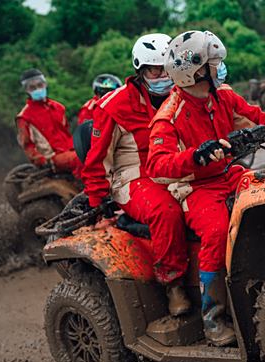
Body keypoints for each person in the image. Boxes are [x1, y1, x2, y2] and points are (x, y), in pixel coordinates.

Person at [147, 30, 265, 346]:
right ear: (196, 70)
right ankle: (213, 319)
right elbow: (157, 166)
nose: (220, 68)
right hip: (194, 188)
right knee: (217, 231)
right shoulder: (168, 117)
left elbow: (264, 120)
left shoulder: (224, 96)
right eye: (215, 63)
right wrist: (195, 155)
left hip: (227, 174)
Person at [81, 33, 192, 315]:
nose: (163, 75)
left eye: (167, 68)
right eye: (156, 70)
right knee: (166, 211)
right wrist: (98, 205)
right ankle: (173, 283)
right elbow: (96, 161)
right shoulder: (114, 105)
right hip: (135, 177)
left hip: (177, 167)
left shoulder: (183, 94)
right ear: (140, 71)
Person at [16, 68, 81, 176]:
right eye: (32, 87)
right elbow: (28, 146)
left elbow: (66, 133)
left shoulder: (58, 107)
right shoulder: (24, 117)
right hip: (52, 157)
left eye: (40, 85)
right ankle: (93, 190)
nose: (37, 89)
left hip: (70, 149)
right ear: (27, 90)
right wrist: (40, 160)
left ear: (45, 84)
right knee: (83, 159)